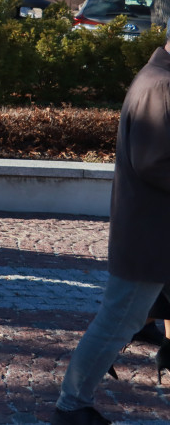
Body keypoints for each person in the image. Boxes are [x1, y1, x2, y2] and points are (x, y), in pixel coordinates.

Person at [50, 36, 170, 425]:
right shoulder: (160, 85)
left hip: (155, 232)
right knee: (117, 321)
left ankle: (156, 334)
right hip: (151, 235)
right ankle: (71, 406)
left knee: (129, 317)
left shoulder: (160, 80)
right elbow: (154, 162)